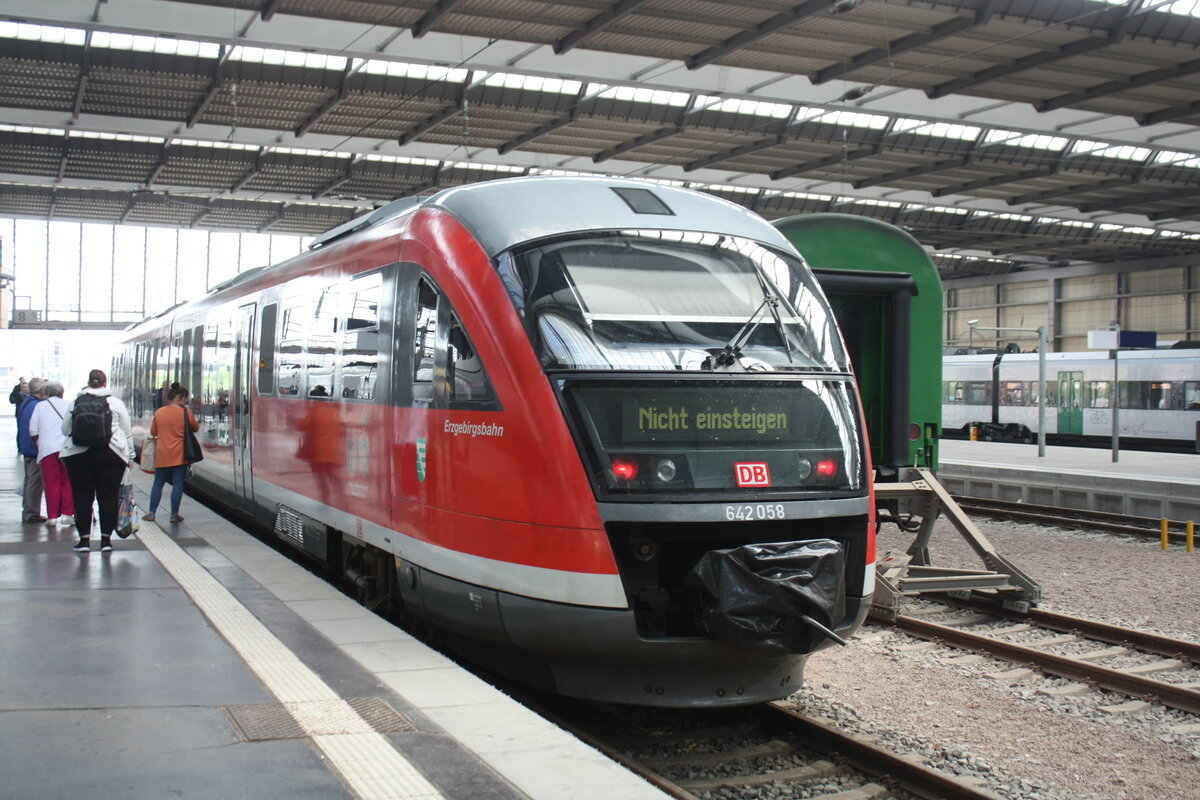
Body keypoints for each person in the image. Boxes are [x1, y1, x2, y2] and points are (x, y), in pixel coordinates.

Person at [61, 369, 135, 553]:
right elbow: (127, 432)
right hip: (110, 456)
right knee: (108, 498)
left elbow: (65, 429)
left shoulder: (76, 402)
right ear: (105, 383)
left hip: (79, 457)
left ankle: (84, 541)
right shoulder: (116, 403)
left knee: (82, 498)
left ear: (89, 382)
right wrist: (131, 456)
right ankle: (106, 541)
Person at [144, 383, 199, 524]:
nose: (186, 401)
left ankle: (151, 513)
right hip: (180, 455)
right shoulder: (186, 413)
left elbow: (153, 432)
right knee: (178, 483)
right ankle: (174, 514)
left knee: (158, 483)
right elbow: (195, 427)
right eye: (185, 398)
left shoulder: (159, 412)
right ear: (179, 397)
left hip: (162, 454)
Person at [29, 380, 74, 528]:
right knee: (67, 482)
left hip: (47, 450)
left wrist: (39, 444)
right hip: (67, 450)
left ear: (46, 392)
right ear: (61, 392)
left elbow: (33, 430)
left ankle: (52, 517)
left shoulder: (40, 406)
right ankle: (68, 515)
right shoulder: (69, 405)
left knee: (51, 484)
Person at [16, 377, 47, 523]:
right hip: (34, 449)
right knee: (35, 482)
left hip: (26, 447)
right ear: (41, 390)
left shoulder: (27, 402)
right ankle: (32, 513)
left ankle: (28, 511)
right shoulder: (36, 405)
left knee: (30, 480)